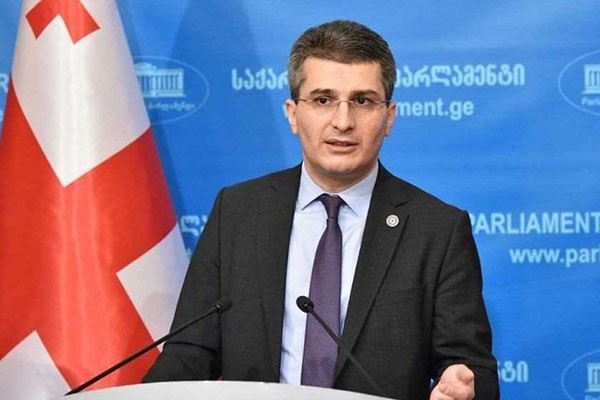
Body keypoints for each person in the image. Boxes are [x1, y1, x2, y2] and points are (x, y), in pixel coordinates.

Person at [143, 20, 499, 400]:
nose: (343, 122)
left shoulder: (437, 229)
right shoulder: (238, 212)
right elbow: (190, 352)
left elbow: (470, 368)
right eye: (323, 100)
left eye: (362, 101)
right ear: (293, 113)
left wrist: (463, 388)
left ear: (389, 117)